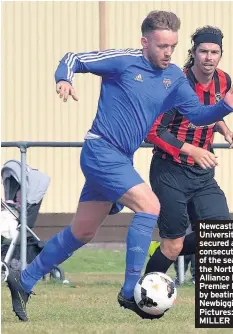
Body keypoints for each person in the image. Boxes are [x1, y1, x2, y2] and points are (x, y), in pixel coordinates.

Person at [6, 13, 233, 322]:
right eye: (162, 46)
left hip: (120, 158)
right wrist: (63, 77)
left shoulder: (175, 79)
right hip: (100, 150)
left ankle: (25, 279)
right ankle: (129, 291)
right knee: (149, 206)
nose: (168, 53)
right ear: (145, 42)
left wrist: (226, 104)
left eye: (173, 46)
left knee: (82, 231)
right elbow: (73, 58)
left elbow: (198, 115)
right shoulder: (124, 61)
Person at [145, 26, 233, 277]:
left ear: (220, 54)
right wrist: (193, 150)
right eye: (203, 51)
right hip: (170, 170)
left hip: (202, 174)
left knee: (220, 235)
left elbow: (212, 111)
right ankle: (140, 298)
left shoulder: (224, 80)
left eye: (214, 52)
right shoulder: (175, 84)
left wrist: (225, 129)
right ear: (193, 53)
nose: (209, 57)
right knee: (174, 243)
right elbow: (154, 132)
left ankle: (162, 251)